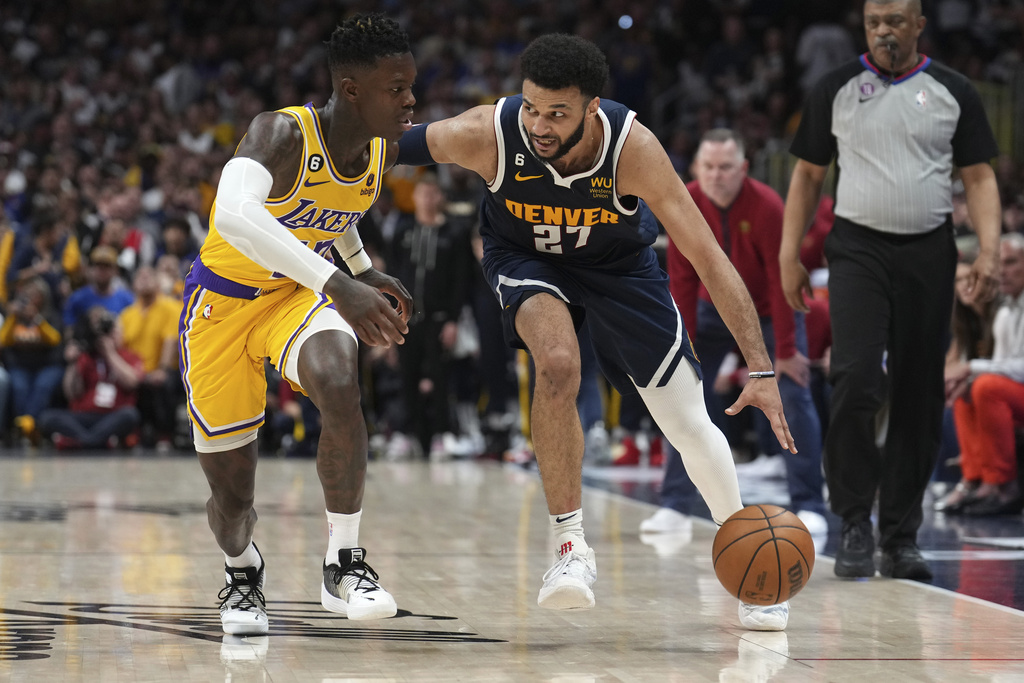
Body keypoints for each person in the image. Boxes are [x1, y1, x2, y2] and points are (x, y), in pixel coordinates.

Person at [397, 33, 796, 630]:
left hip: (620, 269)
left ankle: (743, 557)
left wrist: (761, 370)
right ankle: (568, 549)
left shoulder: (634, 149)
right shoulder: (489, 132)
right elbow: (379, 146)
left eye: (557, 113)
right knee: (558, 363)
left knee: (686, 422)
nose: (540, 124)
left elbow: (712, 260)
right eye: (532, 107)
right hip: (525, 259)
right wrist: (298, 145)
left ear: (591, 108)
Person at [180, 13, 414, 636]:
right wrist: (342, 282)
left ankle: (344, 562)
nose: (410, 100)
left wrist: (363, 268)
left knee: (340, 377)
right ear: (351, 88)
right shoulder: (279, 133)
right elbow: (232, 216)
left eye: (410, 86)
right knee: (232, 499)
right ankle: (241, 567)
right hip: (222, 306)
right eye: (396, 88)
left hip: (292, 297)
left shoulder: (377, 150)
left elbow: (336, 212)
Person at [778, 0, 1002, 582]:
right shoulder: (835, 86)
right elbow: (806, 175)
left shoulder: (954, 90)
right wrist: (789, 254)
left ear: (918, 26)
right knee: (854, 377)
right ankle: (854, 518)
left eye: (895, 22)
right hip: (857, 250)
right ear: (865, 26)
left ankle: (899, 535)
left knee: (918, 391)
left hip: (930, 249)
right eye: (874, 22)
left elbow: (979, 177)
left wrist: (990, 250)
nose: (884, 32)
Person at [642, 128, 826, 536]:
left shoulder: (768, 207)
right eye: (708, 167)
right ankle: (674, 504)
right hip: (710, 311)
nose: (716, 175)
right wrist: (683, 347)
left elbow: (781, 282)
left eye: (726, 167)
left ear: (743, 168)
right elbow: (683, 278)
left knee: (792, 392)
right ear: (695, 168)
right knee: (679, 394)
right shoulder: (685, 200)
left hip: (766, 310)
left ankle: (810, 504)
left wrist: (785, 349)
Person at [941, 236, 1024, 515]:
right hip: (1015, 394)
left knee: (985, 386)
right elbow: (1002, 365)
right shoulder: (1006, 311)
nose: (1002, 270)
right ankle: (975, 478)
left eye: (1011, 262)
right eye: (999, 263)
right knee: (968, 390)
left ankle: (1003, 483)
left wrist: (972, 367)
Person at [37, 305, 144, 449]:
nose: (110, 336)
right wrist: (72, 364)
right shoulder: (86, 357)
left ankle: (79, 441)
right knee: (47, 417)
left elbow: (131, 382)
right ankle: (95, 441)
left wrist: (110, 354)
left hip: (113, 415)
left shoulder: (130, 357)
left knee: (131, 415)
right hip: (83, 415)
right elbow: (71, 393)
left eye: (114, 331)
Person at [118, 265, 182, 449]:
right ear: (133, 285)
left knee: (165, 383)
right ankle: (131, 433)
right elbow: (122, 347)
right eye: (140, 277)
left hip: (165, 367)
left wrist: (161, 369)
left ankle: (164, 434)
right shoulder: (127, 315)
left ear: (158, 283)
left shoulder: (170, 307)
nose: (144, 280)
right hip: (135, 370)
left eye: (149, 276)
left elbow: (171, 340)